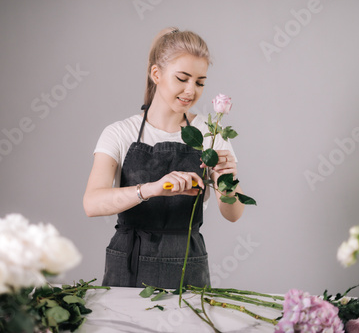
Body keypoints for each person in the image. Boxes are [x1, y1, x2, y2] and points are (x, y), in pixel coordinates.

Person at [83, 27, 245, 288]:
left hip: (187, 265)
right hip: (128, 264)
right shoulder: (119, 133)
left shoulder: (210, 134)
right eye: (182, 78)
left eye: (200, 82)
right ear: (156, 74)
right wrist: (153, 189)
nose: (191, 90)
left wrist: (227, 181)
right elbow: (92, 203)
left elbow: (233, 213)